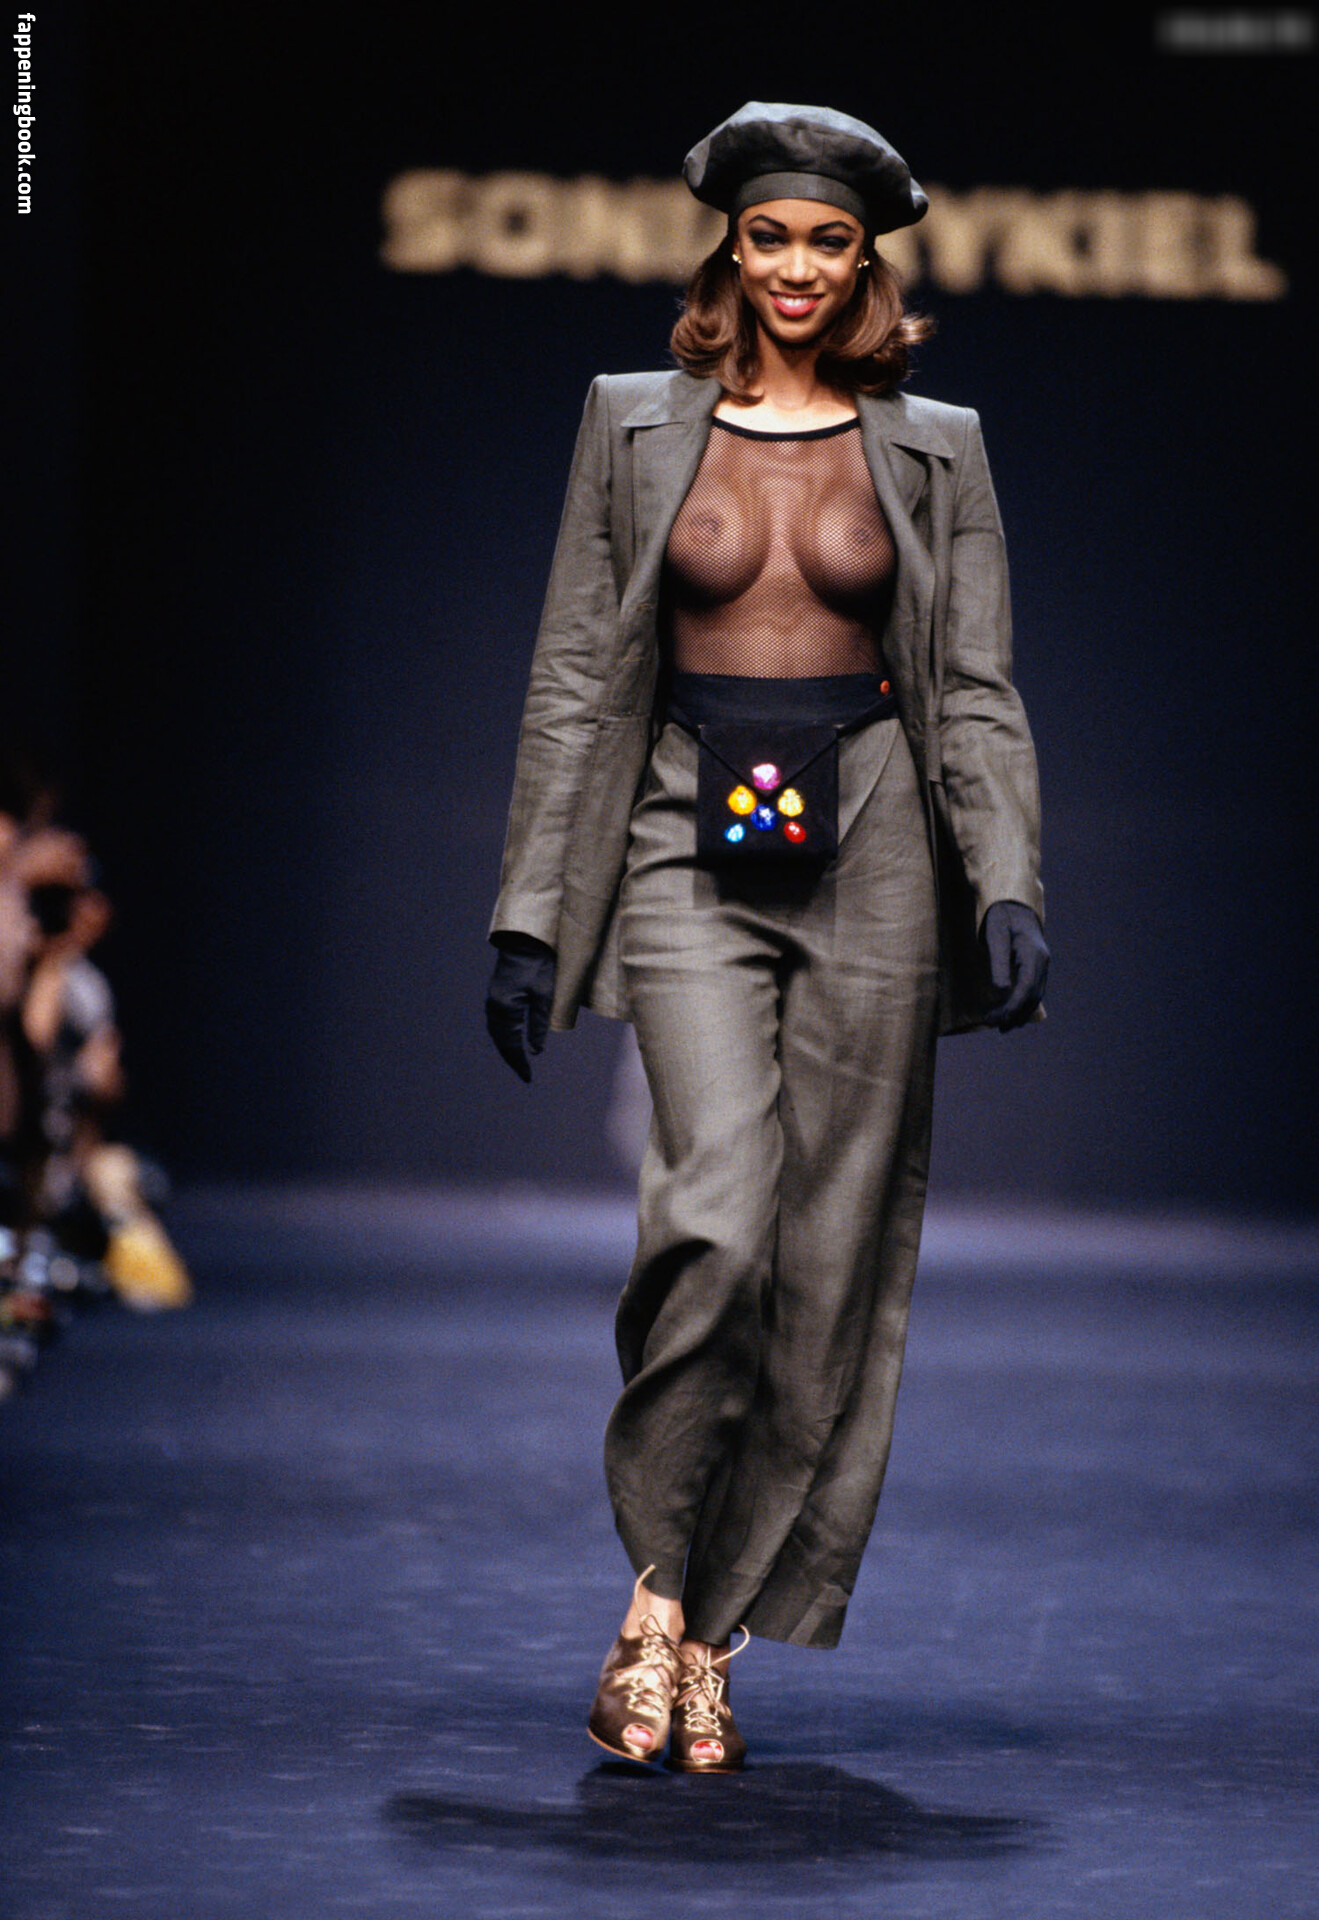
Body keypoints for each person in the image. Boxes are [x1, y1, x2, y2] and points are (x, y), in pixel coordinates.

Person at [486, 102, 1047, 1773]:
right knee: (716, 1221)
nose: (797, 267)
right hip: (683, 830)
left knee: (830, 1259)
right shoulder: (631, 423)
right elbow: (577, 673)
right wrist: (528, 915)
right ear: (729, 249)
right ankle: (651, 1593)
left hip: (874, 846)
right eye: (770, 237)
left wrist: (1007, 881)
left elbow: (974, 687)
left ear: (866, 264)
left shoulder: (935, 445)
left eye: (828, 242)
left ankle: (708, 1641)